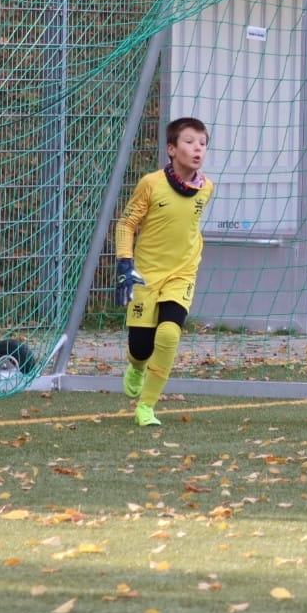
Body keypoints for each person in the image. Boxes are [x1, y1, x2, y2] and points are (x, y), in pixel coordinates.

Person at [113, 116, 215, 428]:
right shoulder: (151, 184)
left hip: (182, 274)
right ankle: (137, 367)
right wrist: (125, 262)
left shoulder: (206, 188)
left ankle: (147, 406)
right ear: (171, 149)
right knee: (140, 348)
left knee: (169, 333)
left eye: (202, 143)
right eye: (189, 142)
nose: (197, 149)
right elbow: (126, 223)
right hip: (146, 275)